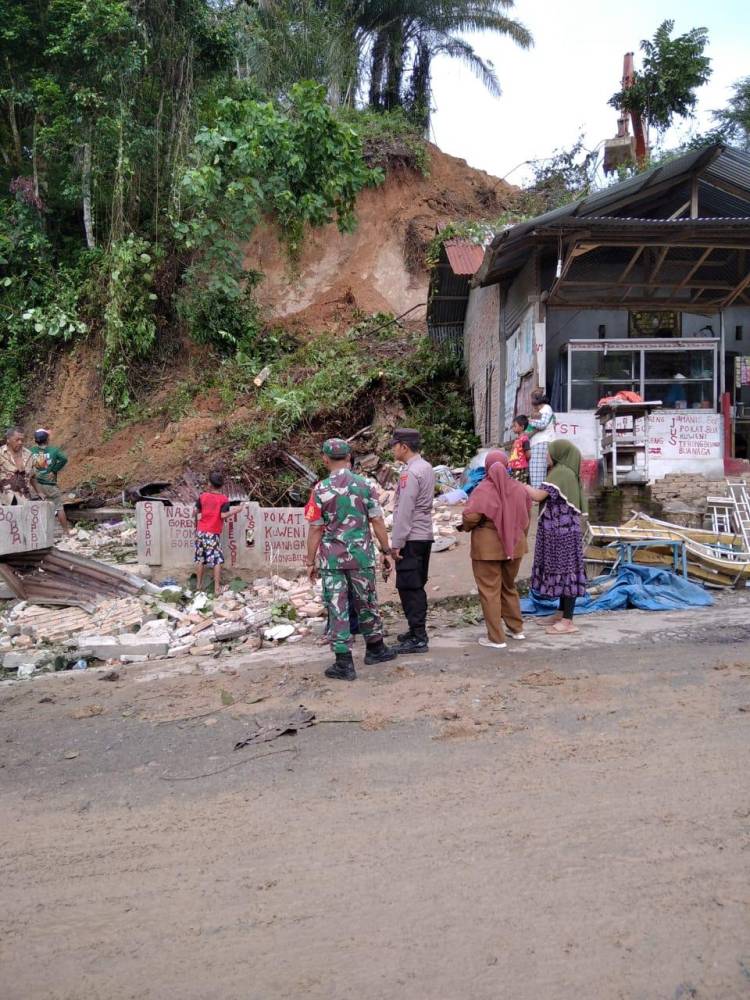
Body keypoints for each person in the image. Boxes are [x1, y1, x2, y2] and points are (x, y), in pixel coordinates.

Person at [305, 438, 396, 681]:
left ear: (325, 459)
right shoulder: (365, 485)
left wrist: (310, 562)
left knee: (337, 607)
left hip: (332, 561)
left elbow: (315, 528)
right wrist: (386, 552)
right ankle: (375, 648)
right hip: (361, 556)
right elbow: (377, 520)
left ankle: (344, 662)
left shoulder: (320, 489)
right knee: (366, 602)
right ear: (349, 457)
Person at [461, 450, 532, 650]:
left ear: (488, 467)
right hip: (515, 546)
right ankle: (517, 630)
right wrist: (519, 538)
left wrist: (466, 526)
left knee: (490, 591)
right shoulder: (519, 489)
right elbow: (526, 519)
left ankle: (496, 638)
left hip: (487, 550)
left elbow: (471, 518)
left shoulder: (483, 490)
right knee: (509, 587)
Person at [524, 440, 587, 635]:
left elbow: (538, 495)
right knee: (563, 570)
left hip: (562, 534)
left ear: (559, 453)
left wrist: (520, 486)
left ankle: (568, 622)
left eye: (548, 453)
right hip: (561, 532)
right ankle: (561, 614)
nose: (545, 456)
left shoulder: (561, 473)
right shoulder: (566, 472)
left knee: (567, 573)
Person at [389, 428, 435, 654]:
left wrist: (396, 542)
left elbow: (405, 509)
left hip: (411, 537)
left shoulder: (410, 472)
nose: (392, 449)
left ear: (404, 446)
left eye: (394, 445)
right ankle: (415, 631)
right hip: (423, 535)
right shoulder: (425, 467)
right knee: (415, 584)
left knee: (410, 587)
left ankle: (418, 637)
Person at [194, 470, 233, 594]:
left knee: (201, 559)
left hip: (200, 532)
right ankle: (217, 589)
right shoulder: (223, 499)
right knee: (216, 560)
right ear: (221, 485)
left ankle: (198, 586)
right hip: (212, 533)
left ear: (209, 484)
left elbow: (194, 512)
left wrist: (200, 516)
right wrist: (237, 510)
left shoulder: (202, 496)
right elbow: (223, 515)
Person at [30, 428, 70, 533]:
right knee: (59, 507)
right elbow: (64, 459)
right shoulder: (54, 450)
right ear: (47, 440)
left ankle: (41, 533)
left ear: (35, 441)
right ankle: (66, 531)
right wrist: (53, 470)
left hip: (36, 485)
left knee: (41, 509)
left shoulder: (31, 451)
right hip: (50, 484)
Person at [0, 427, 41, 505]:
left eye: (22, 440)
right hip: (3, 500)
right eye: (17, 440)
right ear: (8, 440)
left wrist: (39, 492)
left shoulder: (29, 454)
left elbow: (33, 476)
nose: (20, 442)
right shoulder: (1, 454)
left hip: (24, 499)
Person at [526, 389, 556, 488]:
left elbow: (542, 424)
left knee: (537, 473)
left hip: (541, 443)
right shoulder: (542, 411)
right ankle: (538, 495)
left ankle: (537, 495)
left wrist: (529, 421)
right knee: (537, 473)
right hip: (538, 444)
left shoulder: (546, 408)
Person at [507, 416, 531, 484]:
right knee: (513, 484)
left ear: (522, 427)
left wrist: (522, 461)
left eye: (515, 426)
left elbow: (528, 454)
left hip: (520, 468)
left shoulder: (525, 439)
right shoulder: (517, 439)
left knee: (519, 485)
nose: (513, 428)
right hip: (514, 467)